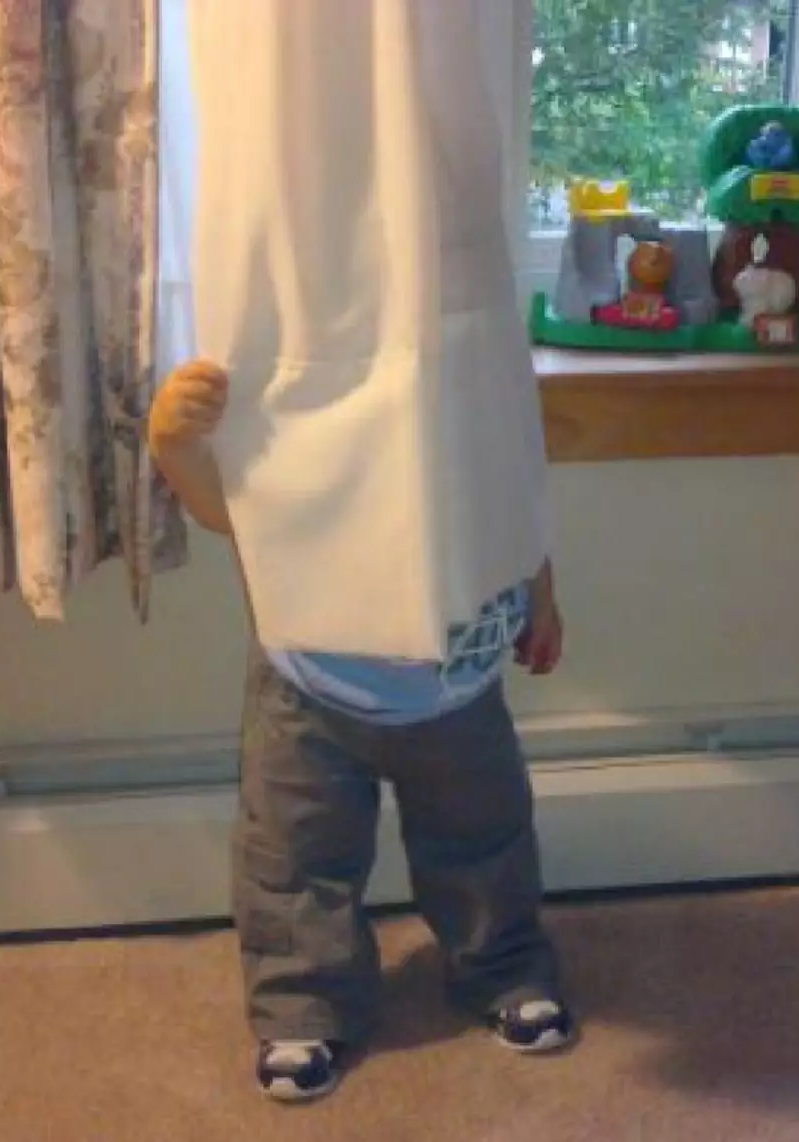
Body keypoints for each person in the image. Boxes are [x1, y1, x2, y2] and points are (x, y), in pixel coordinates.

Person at [148, 361, 574, 1103]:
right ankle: (302, 999)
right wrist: (174, 445)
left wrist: (541, 597)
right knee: (295, 857)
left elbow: (516, 507)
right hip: (310, 689)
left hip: (458, 685)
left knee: (485, 840)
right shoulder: (300, 406)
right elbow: (228, 506)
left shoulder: (468, 387)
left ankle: (503, 965)